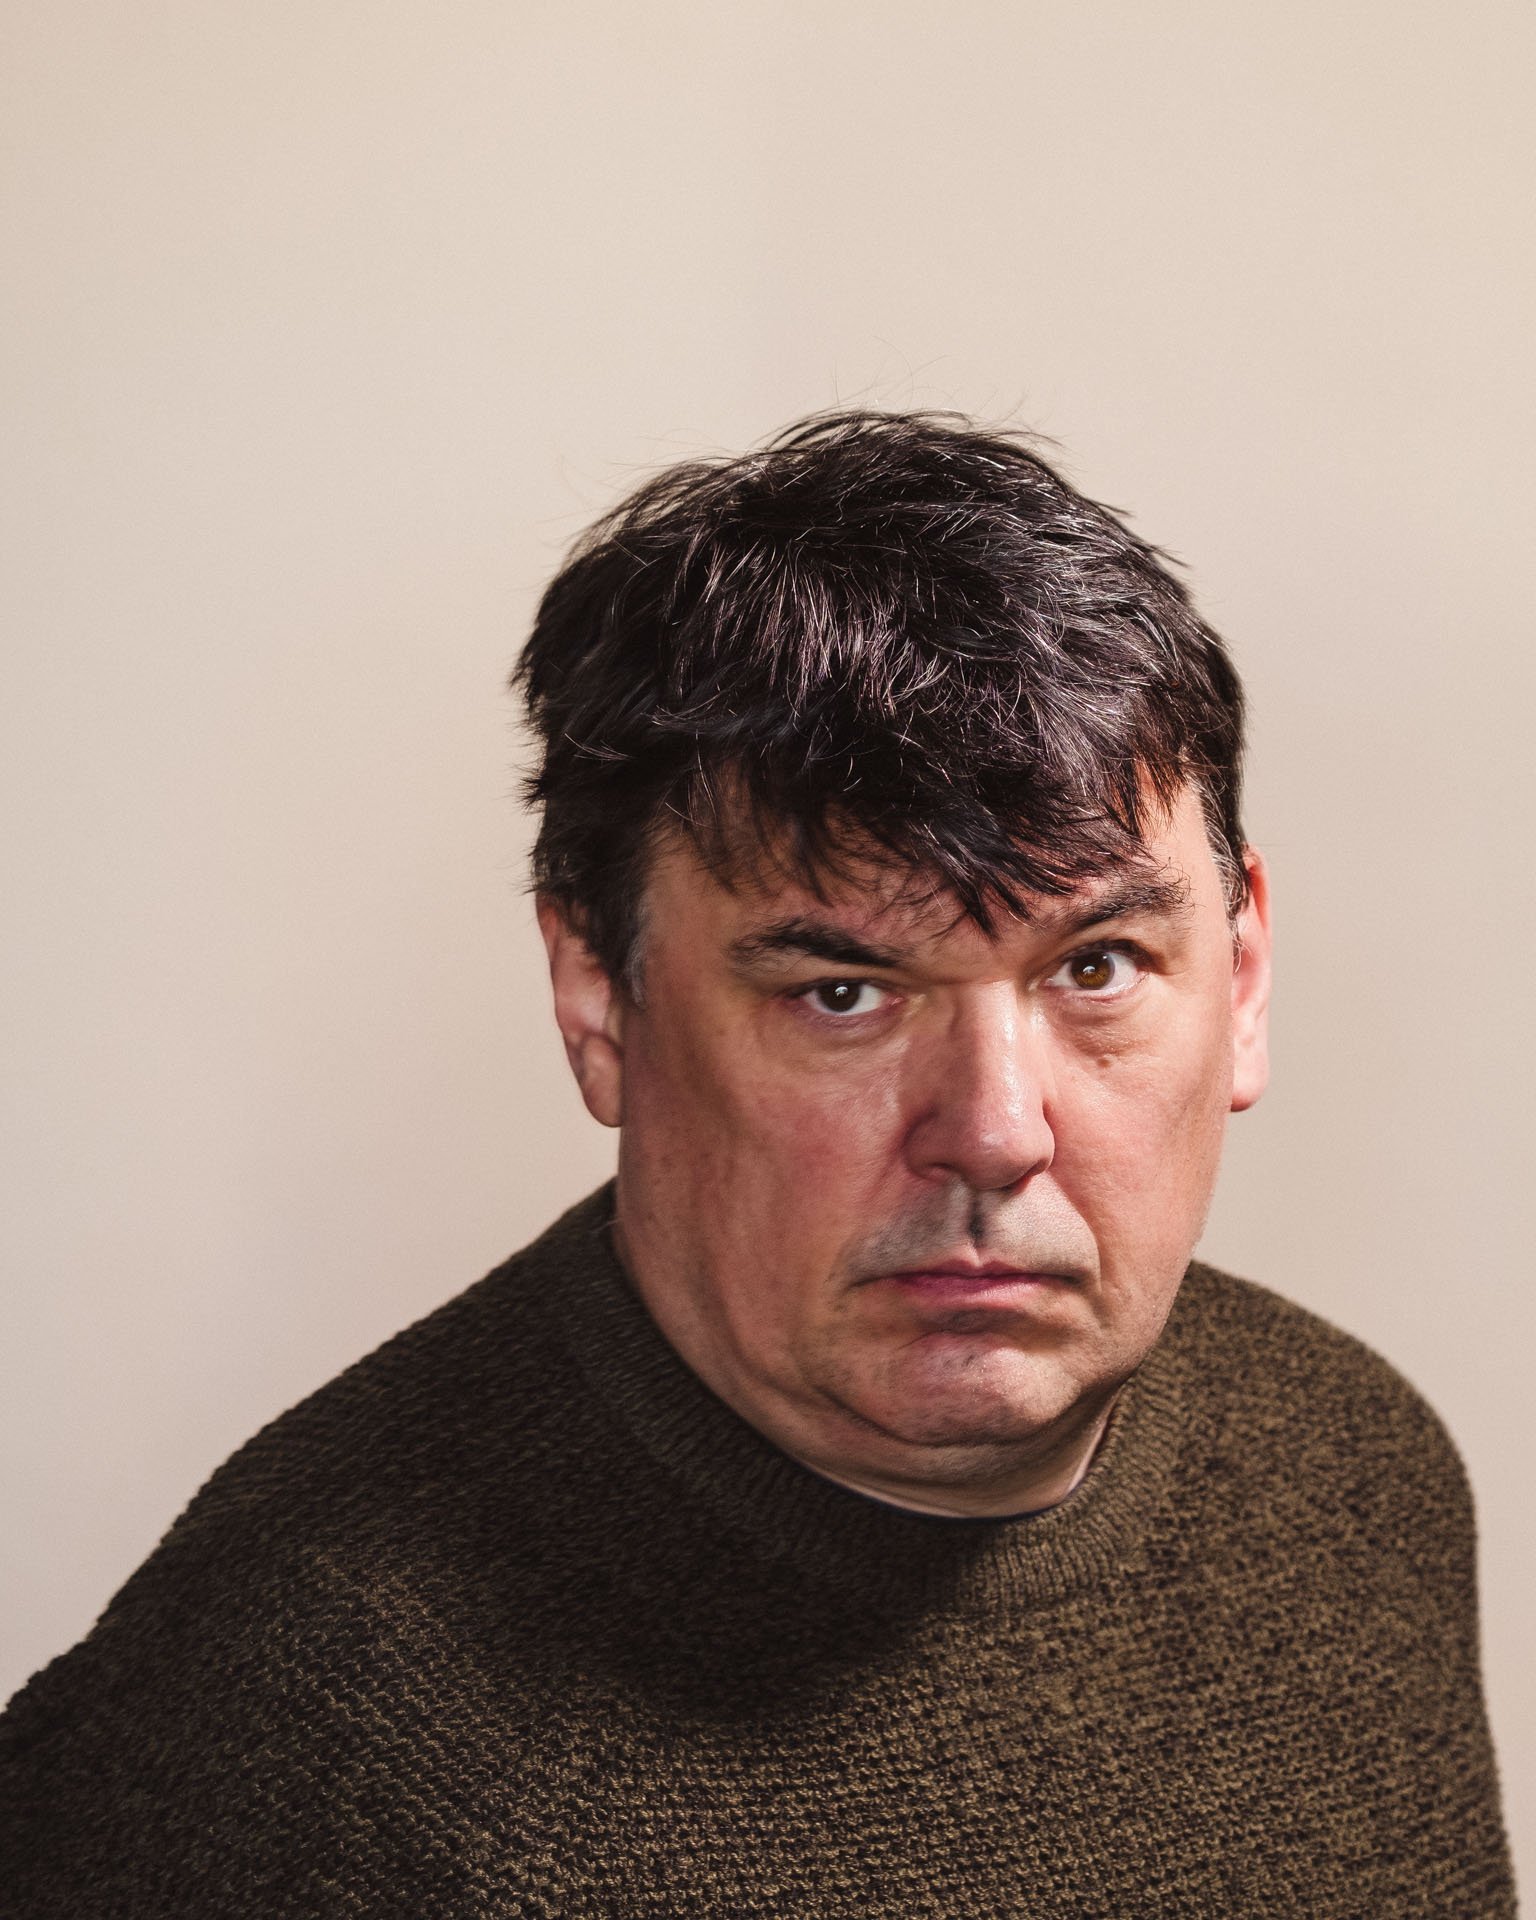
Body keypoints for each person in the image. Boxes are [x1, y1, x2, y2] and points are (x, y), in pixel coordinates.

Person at [1, 411, 1513, 1915]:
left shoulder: (1360, 1474)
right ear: (601, 997)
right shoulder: (300, 1716)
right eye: (842, 993)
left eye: (1098, 967)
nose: (994, 1129)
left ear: (1241, 978)